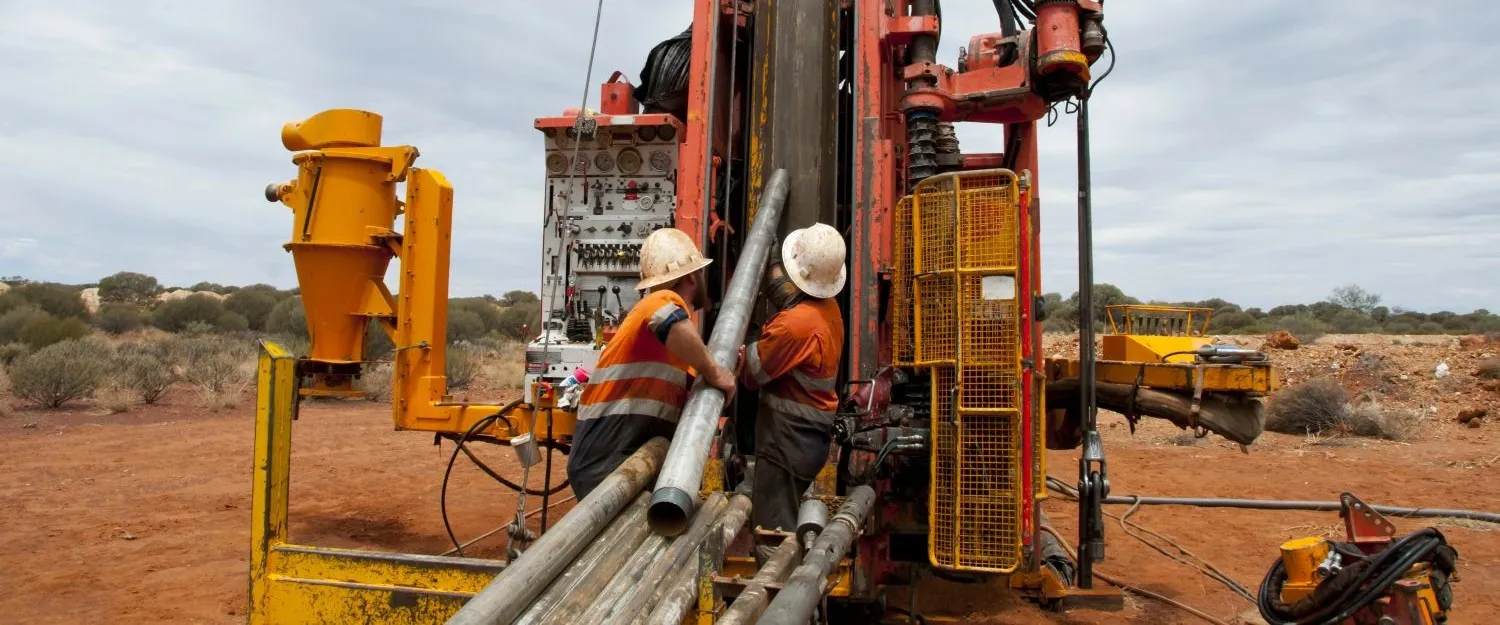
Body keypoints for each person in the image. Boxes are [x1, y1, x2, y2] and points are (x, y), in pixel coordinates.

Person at [567, 227, 737, 500]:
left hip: (619, 459)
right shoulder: (659, 300)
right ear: (693, 276)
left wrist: (723, 373)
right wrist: (715, 371)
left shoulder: (676, 351)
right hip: (607, 461)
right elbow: (665, 319)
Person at [738, 222, 847, 533]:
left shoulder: (794, 326)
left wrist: (744, 347)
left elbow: (752, 373)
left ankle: (776, 580)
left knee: (773, 528)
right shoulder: (829, 308)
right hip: (810, 438)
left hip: (787, 442)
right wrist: (773, 269)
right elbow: (792, 300)